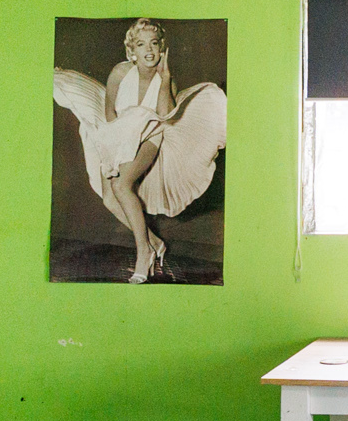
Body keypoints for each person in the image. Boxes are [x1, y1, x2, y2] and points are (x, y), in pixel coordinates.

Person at [52, 18, 227, 283]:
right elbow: (109, 112)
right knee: (110, 199)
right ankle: (155, 243)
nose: (149, 50)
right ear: (131, 50)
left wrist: (165, 79)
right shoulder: (120, 72)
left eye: (154, 43)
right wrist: (113, 149)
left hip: (151, 137)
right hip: (117, 134)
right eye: (141, 44)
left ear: (162, 48)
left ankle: (143, 253)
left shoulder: (166, 79)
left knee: (122, 187)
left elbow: (167, 115)